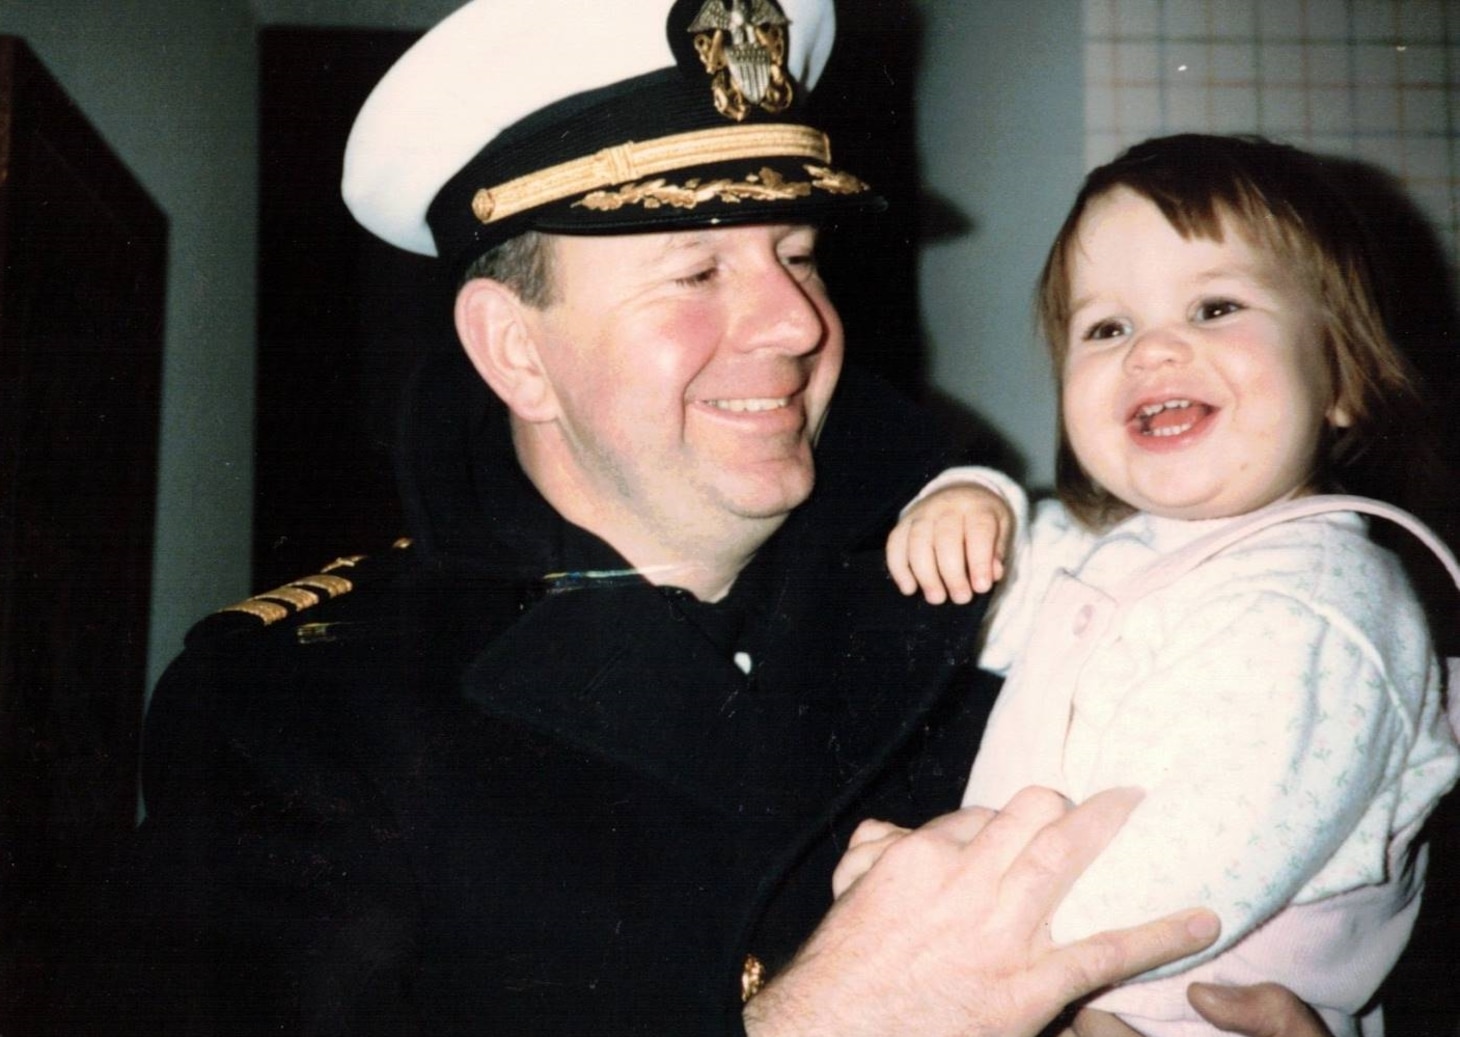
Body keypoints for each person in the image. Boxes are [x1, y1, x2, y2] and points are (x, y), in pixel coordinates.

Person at [68, 7, 1331, 1035]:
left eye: (795, 251)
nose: (791, 321)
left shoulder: (999, 582)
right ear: (515, 350)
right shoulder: (295, 708)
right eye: (696, 270)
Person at [881, 134, 1460, 1036]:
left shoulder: (1319, 605)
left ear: (1341, 377)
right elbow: (993, 603)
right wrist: (973, 500)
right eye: (1107, 327)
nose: (1152, 350)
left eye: (1215, 306)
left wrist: (930, 923)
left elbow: (1188, 877)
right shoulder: (1134, 547)